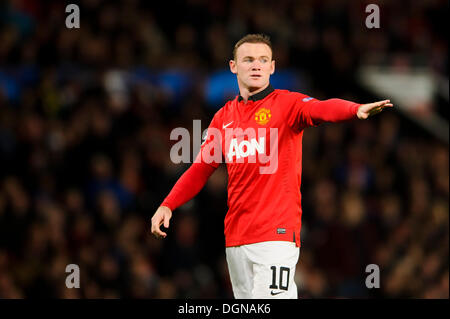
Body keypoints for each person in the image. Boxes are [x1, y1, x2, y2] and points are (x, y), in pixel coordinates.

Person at [150, 34, 393, 299]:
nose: (256, 65)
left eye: (263, 60)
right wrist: (168, 204)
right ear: (233, 66)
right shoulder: (223, 117)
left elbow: (321, 109)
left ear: (272, 67)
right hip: (236, 239)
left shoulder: (287, 104)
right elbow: (201, 168)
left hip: (275, 235)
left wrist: (354, 109)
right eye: (249, 59)